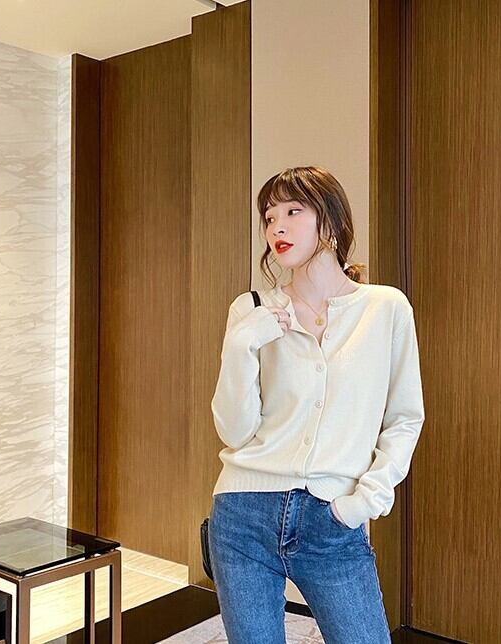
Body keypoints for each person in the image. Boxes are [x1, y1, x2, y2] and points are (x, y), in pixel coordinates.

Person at [208, 166, 425, 643]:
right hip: (243, 514)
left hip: (333, 518)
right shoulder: (251, 310)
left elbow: (404, 418)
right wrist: (241, 345)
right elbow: (235, 431)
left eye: (293, 211)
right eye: (269, 217)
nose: (277, 227)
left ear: (331, 221)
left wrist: (365, 501)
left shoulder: (385, 308)